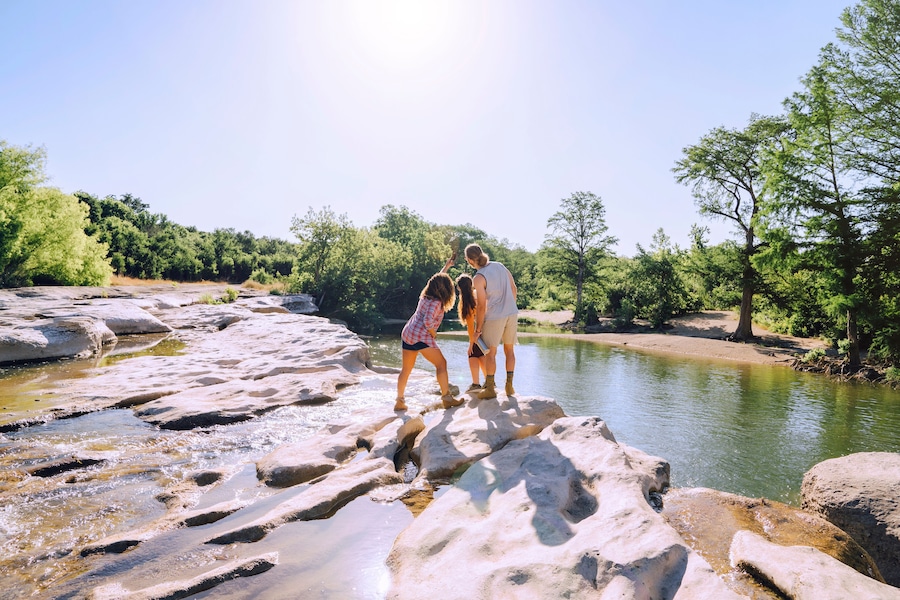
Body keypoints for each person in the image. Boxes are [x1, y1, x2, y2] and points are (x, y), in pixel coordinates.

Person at [395, 255, 464, 411]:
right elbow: (427, 321)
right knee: (441, 364)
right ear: (445, 289)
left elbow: (437, 280)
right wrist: (433, 333)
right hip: (421, 335)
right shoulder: (436, 302)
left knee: (406, 369)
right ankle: (447, 398)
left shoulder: (425, 296)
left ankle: (399, 401)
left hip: (408, 332)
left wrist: (446, 267)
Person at [464, 243, 518, 399]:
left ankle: (489, 388)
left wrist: (478, 330)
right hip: (512, 313)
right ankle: (509, 386)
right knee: (510, 351)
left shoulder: (479, 277)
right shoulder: (500, 266)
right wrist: (509, 306)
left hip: (494, 317)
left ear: (469, 260)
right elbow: (513, 288)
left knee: (490, 354)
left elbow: (481, 306)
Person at [455, 273, 486, 392]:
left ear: (459, 288)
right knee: (482, 355)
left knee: (472, 354)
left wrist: (471, 343)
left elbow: (470, 326)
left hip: (478, 332)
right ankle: (489, 381)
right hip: (486, 328)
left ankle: (476, 384)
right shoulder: (477, 294)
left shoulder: (467, 301)